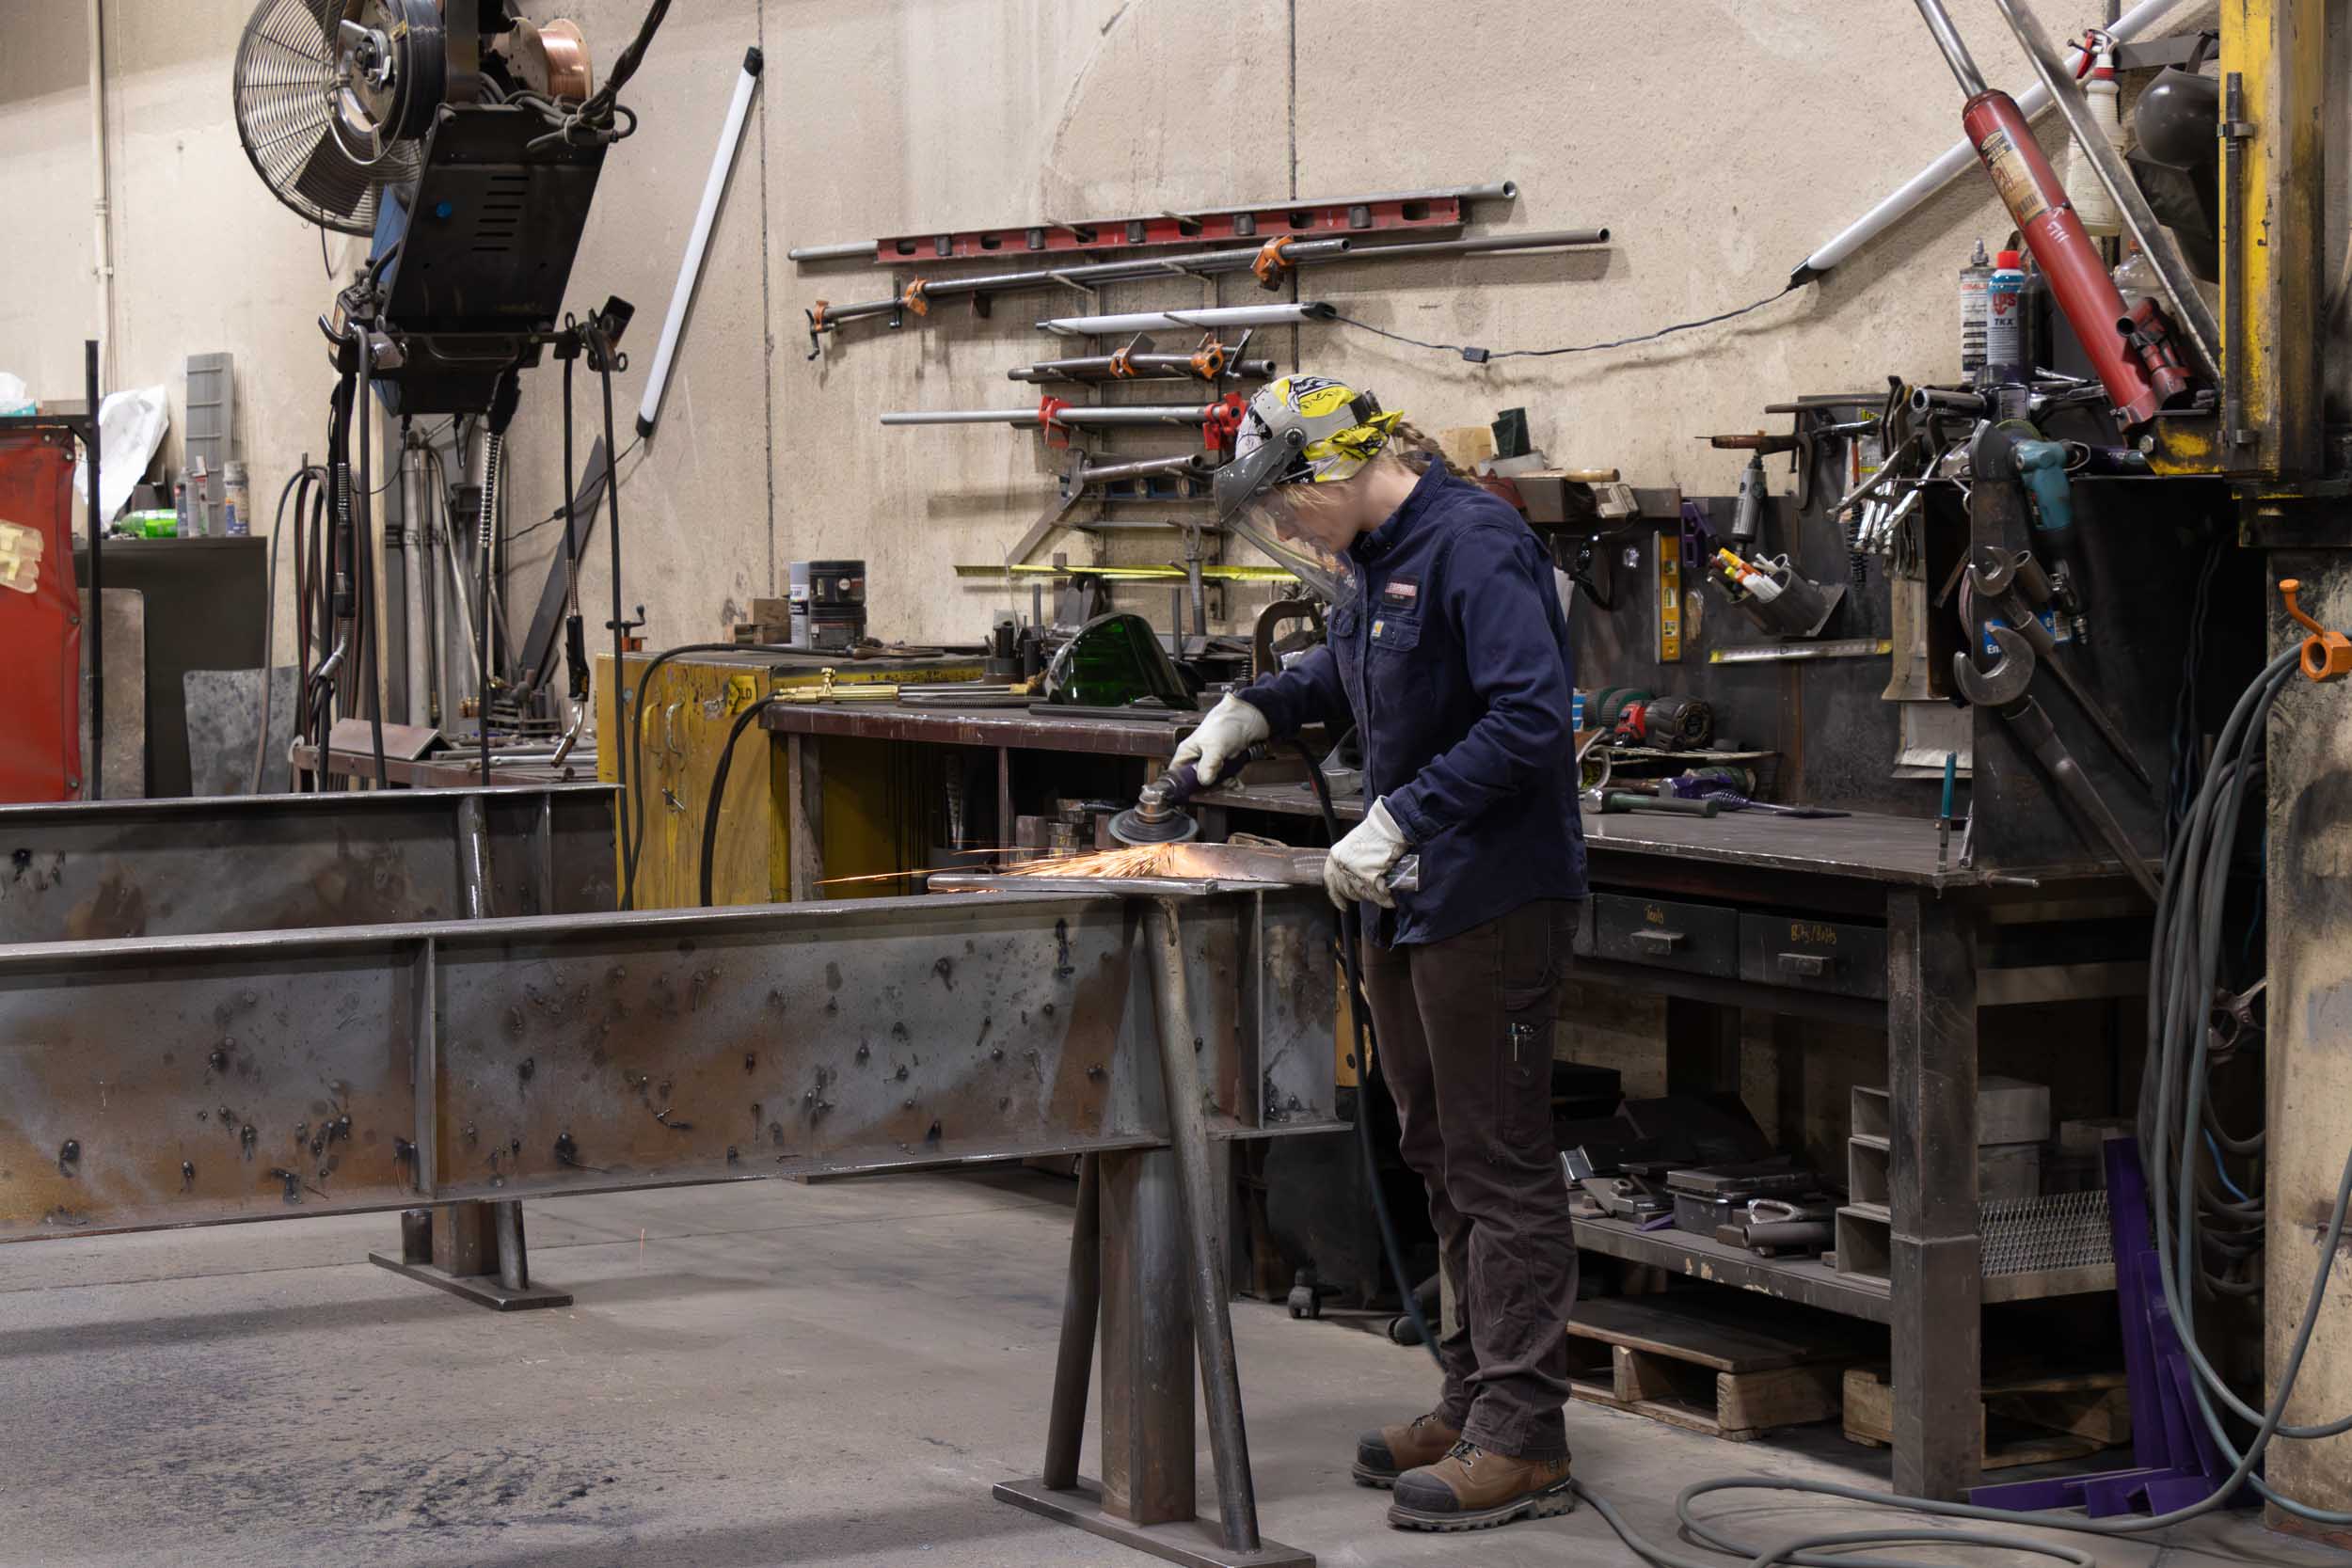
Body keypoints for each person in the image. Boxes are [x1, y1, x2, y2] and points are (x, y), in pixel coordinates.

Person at [1176, 374, 1587, 1533]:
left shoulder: (1477, 543)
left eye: (1284, 505)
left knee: (1498, 1158)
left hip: (1489, 893)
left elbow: (1530, 716)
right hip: (1406, 896)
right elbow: (1356, 668)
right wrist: (1255, 708)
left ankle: (1526, 1434)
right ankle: (1472, 1398)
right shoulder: (1377, 556)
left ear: (1335, 470)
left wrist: (1404, 815)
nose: (1283, 530)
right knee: (1435, 1145)